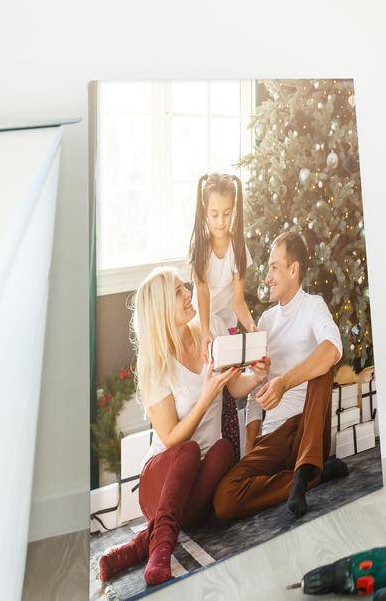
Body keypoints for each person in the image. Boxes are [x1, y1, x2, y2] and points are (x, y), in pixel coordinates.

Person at [93, 269, 248, 588]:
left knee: (222, 451)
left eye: (184, 287)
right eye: (179, 292)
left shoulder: (210, 330)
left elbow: (235, 388)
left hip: (197, 483)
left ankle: (141, 544)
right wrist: (205, 398)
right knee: (188, 450)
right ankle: (160, 552)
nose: (188, 293)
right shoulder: (155, 365)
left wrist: (258, 377)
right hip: (161, 481)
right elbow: (172, 438)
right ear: (162, 308)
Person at [212, 232, 348, 520]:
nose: (268, 276)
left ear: (293, 270)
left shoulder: (313, 306)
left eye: (274, 267)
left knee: (325, 362)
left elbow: (334, 348)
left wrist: (284, 382)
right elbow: (252, 396)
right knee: (224, 500)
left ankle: (305, 469)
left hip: (305, 428)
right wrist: (251, 446)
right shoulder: (265, 322)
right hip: (273, 438)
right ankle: (310, 477)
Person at [187, 171, 256, 455]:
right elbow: (201, 292)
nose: (220, 222)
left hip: (225, 329)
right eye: (214, 214)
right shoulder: (199, 246)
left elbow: (238, 301)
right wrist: (205, 333)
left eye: (226, 214)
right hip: (202, 327)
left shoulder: (238, 248)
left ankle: (229, 455)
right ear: (205, 211)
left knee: (228, 393)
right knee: (203, 392)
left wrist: (252, 328)